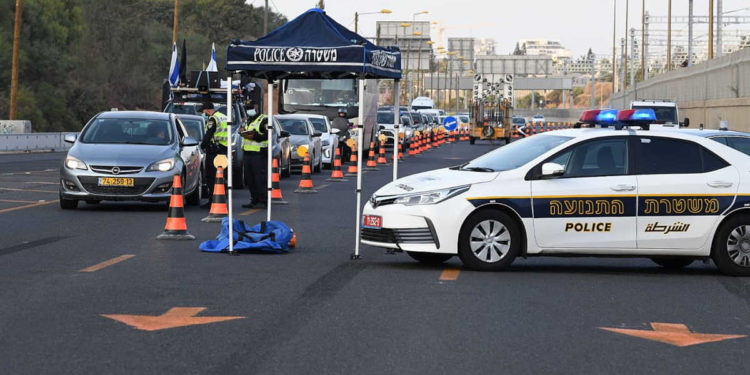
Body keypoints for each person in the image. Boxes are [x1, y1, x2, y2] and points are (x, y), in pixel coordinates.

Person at [200, 102, 228, 203]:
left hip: (214, 151)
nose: (204, 115)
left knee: (211, 176)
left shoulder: (213, 119)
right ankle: (221, 198)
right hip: (223, 150)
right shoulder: (224, 117)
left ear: (208, 110)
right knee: (220, 175)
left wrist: (202, 145)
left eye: (204, 113)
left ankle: (213, 200)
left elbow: (209, 134)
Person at [240, 113, 269, 208]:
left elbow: (267, 135)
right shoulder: (248, 120)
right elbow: (242, 130)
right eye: (248, 108)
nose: (250, 110)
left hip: (259, 154)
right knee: (249, 179)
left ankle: (263, 201)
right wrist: (242, 132)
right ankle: (254, 199)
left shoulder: (264, 120)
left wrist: (254, 136)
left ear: (257, 108)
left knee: (260, 178)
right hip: (247, 153)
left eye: (252, 107)